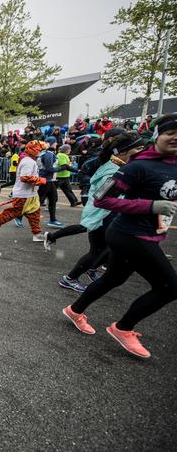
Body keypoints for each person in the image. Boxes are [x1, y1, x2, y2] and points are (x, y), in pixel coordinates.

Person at [60, 114, 177, 358]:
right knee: (169, 287)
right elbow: (101, 198)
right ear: (157, 136)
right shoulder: (137, 167)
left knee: (113, 279)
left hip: (147, 234)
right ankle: (124, 328)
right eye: (170, 133)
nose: (175, 137)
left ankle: (74, 310)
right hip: (129, 234)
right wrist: (150, 206)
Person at [53, 132, 145, 293]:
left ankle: (90, 270)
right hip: (103, 216)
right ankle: (70, 278)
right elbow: (100, 196)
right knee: (97, 251)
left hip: (108, 215)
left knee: (107, 248)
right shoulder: (114, 172)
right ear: (123, 151)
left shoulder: (119, 167)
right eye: (138, 148)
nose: (143, 151)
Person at [0, 141, 47, 242]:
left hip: (30, 194)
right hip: (23, 195)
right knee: (12, 213)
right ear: (33, 150)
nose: (40, 152)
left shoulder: (30, 161)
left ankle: (37, 234)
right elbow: (25, 178)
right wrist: (40, 180)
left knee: (34, 214)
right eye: (39, 150)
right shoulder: (28, 161)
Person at [37, 139, 64, 228]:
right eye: (55, 142)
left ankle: (52, 220)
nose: (56, 143)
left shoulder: (45, 153)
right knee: (37, 202)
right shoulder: (47, 154)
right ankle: (19, 216)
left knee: (53, 199)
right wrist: (61, 168)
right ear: (50, 143)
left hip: (48, 180)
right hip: (45, 181)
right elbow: (49, 168)